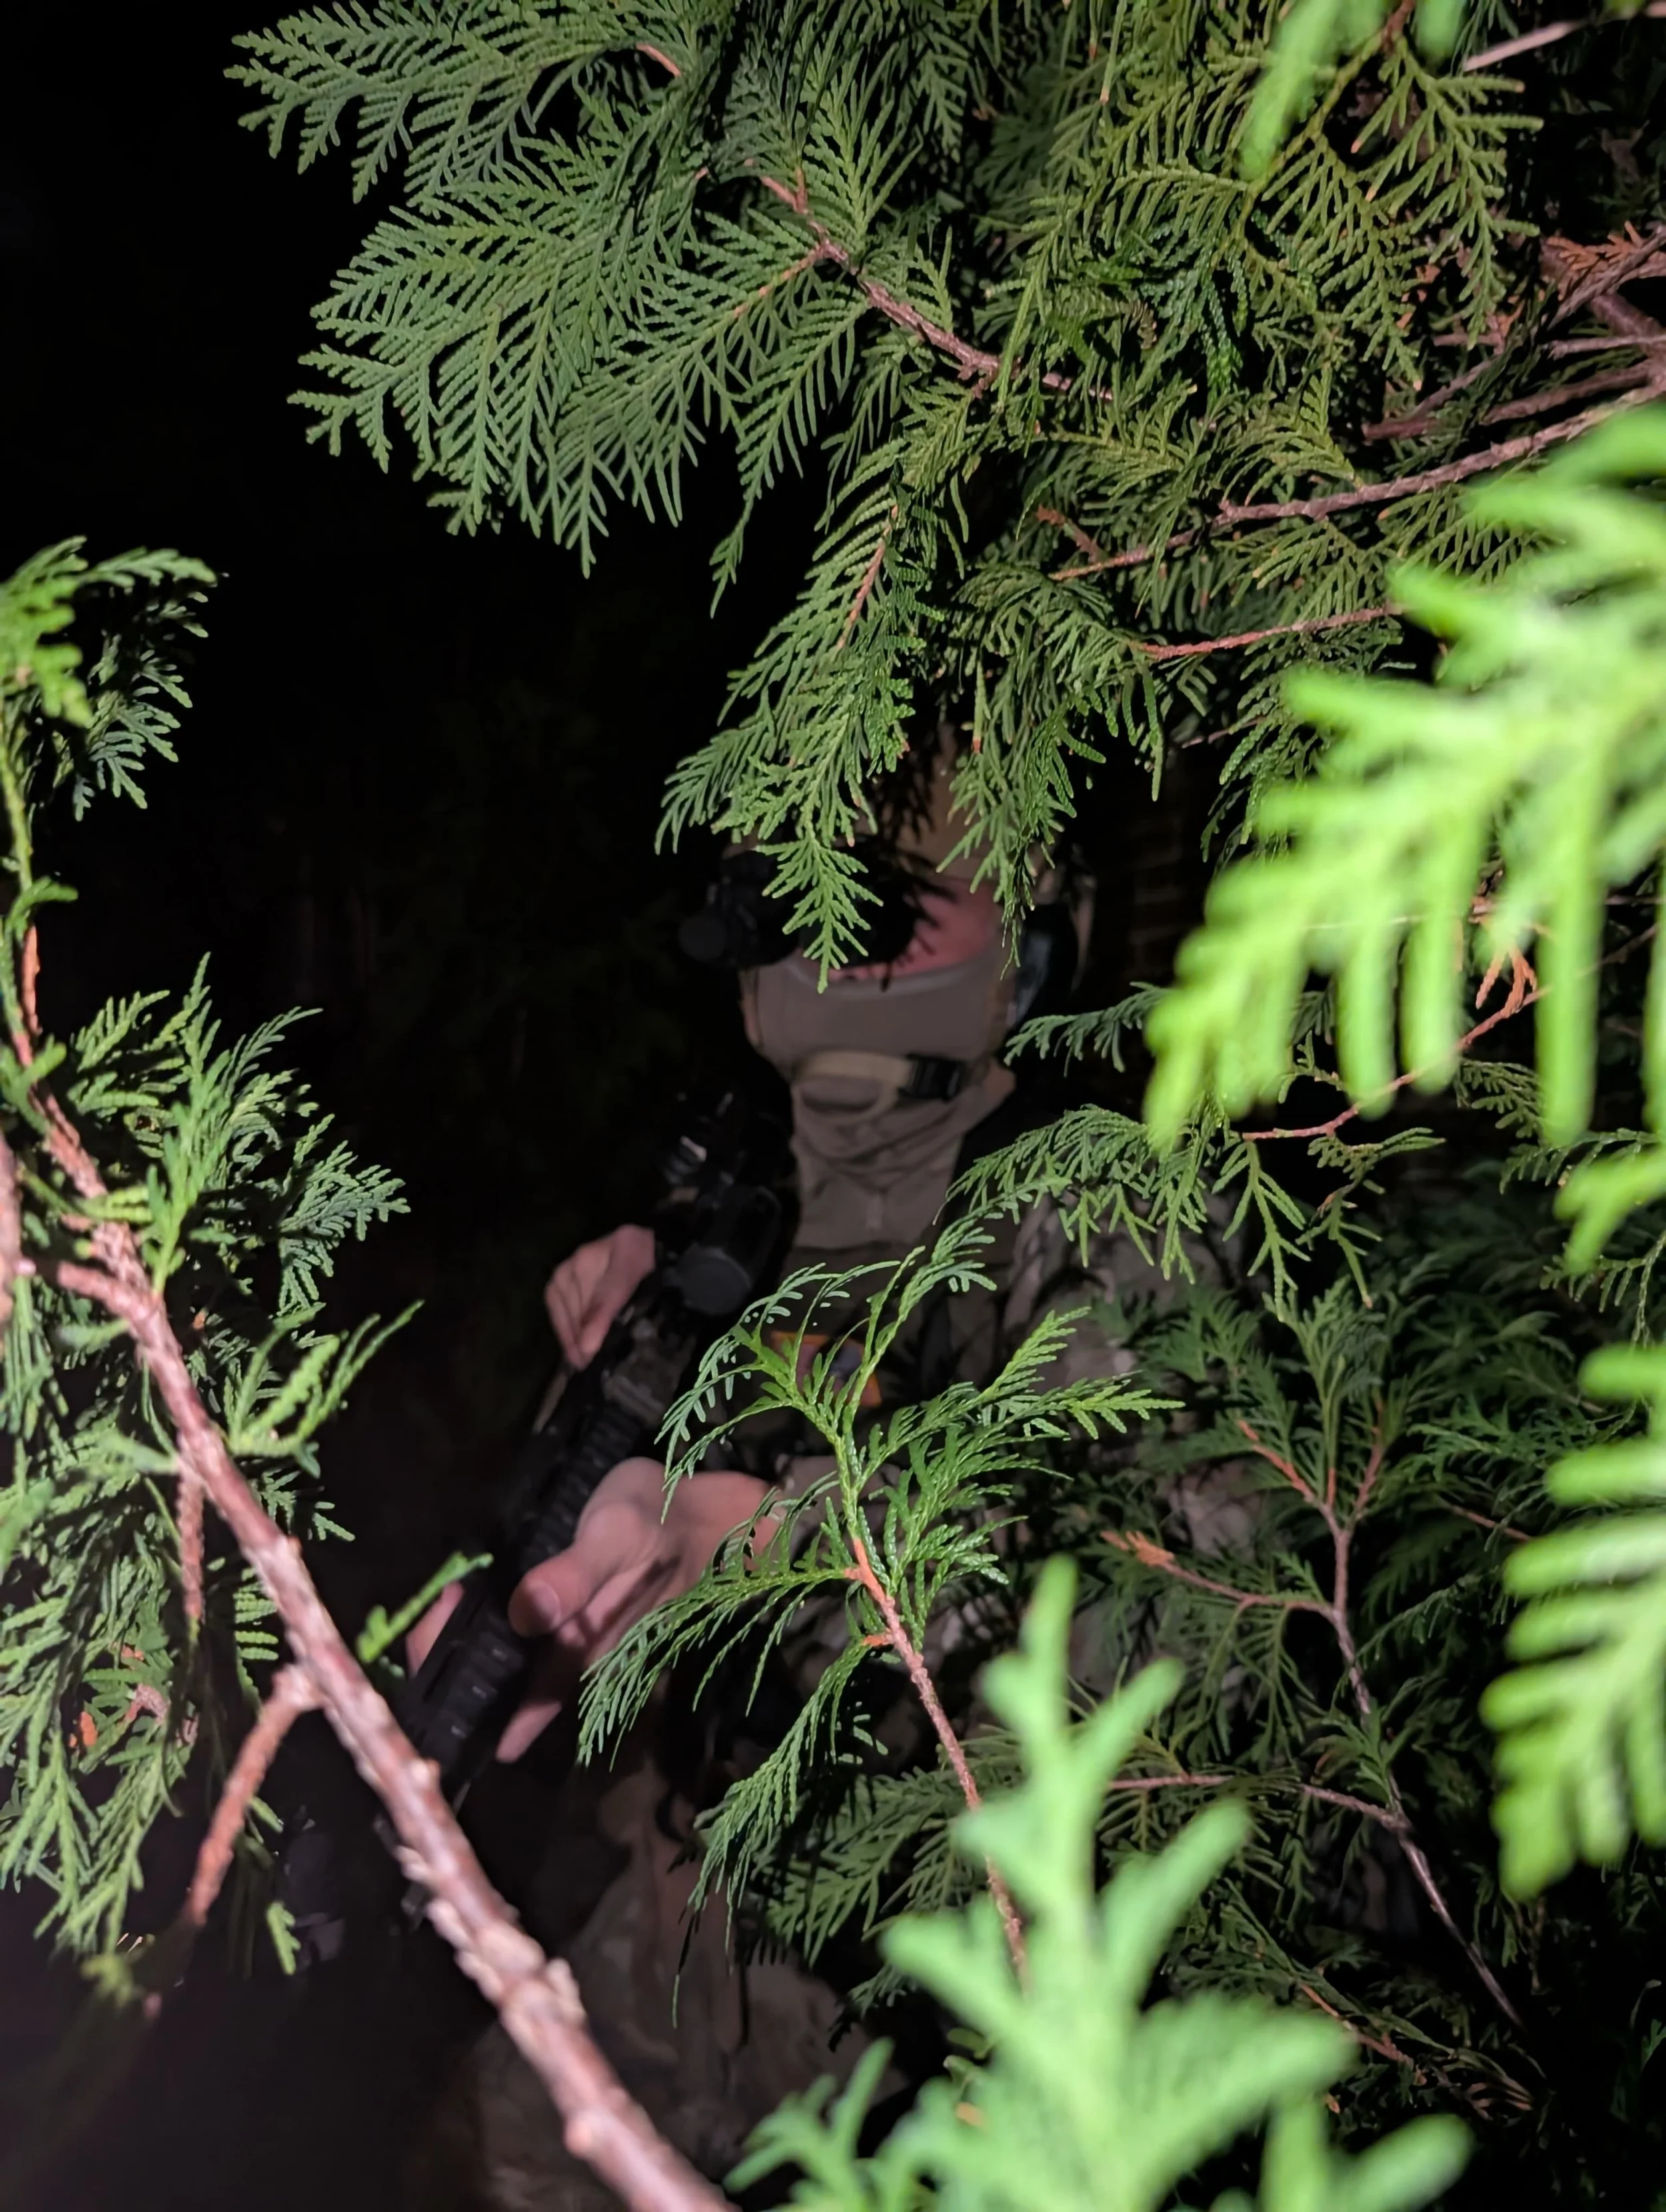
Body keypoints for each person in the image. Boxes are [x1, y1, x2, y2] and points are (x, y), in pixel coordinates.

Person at [405, 746, 1095, 2204]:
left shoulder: (1098, 1216)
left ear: (1032, 940)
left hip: (943, 2027)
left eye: (904, 909)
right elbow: (619, 1612)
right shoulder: (733, 1206)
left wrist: (774, 1551)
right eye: (805, 907)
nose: (843, 958)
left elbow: (1131, 1633)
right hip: (669, 1954)